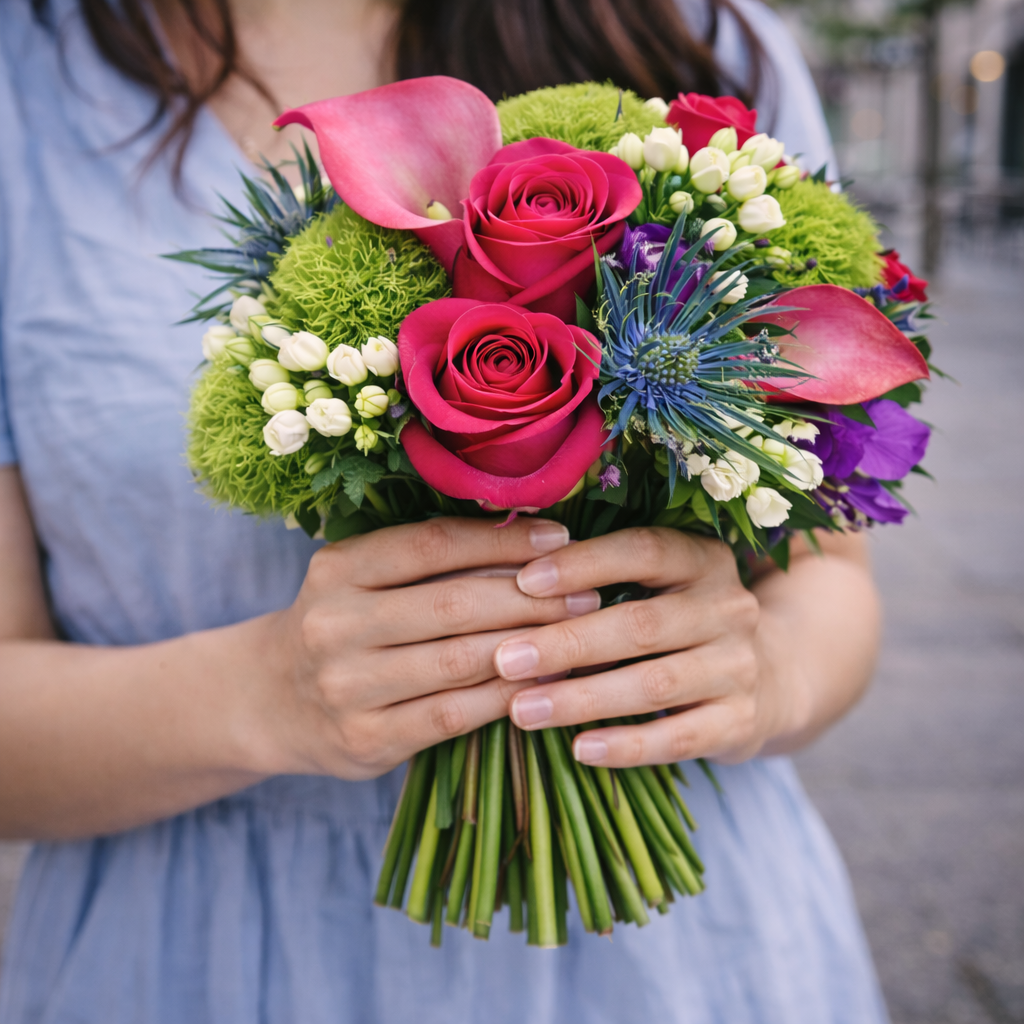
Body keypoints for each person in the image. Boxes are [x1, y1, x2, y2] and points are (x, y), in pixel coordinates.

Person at [0, 0, 886, 1020]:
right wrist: (265, 694)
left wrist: (762, 675)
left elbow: (827, 574)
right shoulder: (23, 82)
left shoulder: (696, 43)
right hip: (198, 957)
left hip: (682, 953)